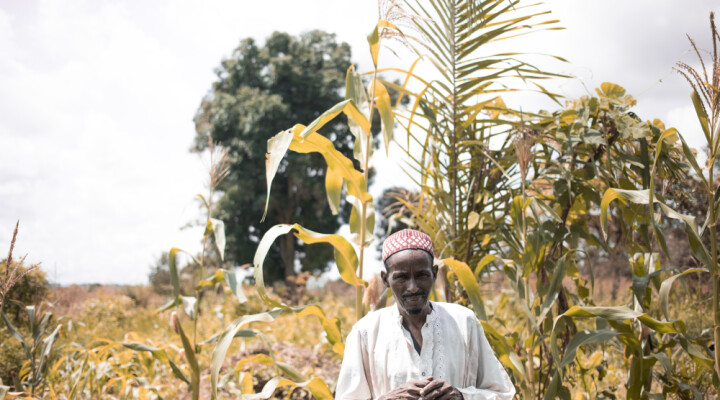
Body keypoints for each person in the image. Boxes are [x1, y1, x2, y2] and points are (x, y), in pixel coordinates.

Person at [335, 229, 515, 400]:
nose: (413, 287)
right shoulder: (365, 332)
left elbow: (503, 395)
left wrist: (460, 396)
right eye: (402, 277)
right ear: (385, 279)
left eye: (421, 275)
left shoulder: (464, 323)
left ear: (434, 274)